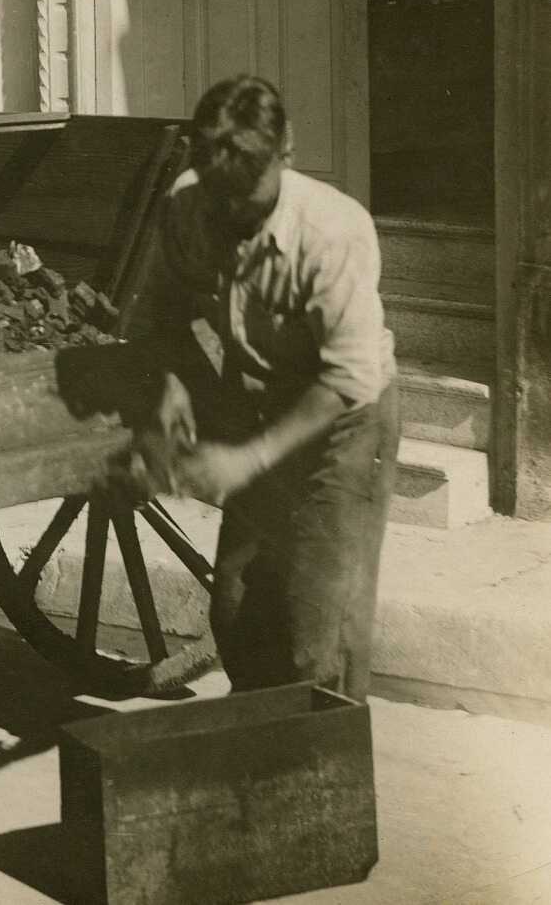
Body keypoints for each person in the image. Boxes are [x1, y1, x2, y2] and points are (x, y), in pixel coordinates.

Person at [126, 74, 399, 701]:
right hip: (265, 405)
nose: (232, 219)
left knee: (316, 633)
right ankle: (259, 765)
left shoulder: (333, 232)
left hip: (348, 424)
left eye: (248, 200)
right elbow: (161, 316)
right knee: (238, 613)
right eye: (219, 198)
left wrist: (247, 458)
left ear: (287, 153)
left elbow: (347, 378)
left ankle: (321, 773)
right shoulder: (190, 206)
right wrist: (170, 385)